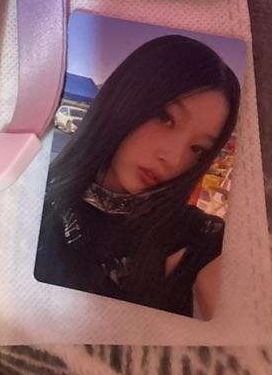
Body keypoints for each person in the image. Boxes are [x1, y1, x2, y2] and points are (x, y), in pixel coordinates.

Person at [34, 35, 241, 319]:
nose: (174, 158)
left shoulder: (202, 241)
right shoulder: (32, 194)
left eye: (197, 148)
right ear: (124, 101)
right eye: (166, 118)